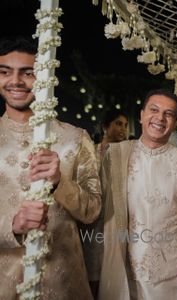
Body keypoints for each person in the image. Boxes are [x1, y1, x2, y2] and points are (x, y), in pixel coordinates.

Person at [0, 36, 101, 299]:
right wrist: (11, 226)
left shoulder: (76, 138)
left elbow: (92, 211)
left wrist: (60, 183)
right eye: (5, 72)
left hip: (63, 281)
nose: (16, 82)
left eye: (28, 73)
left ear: (45, 77)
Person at [98, 89, 177, 300]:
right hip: (123, 270)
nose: (160, 118)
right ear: (142, 114)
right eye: (154, 110)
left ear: (175, 121)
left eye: (168, 114)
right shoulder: (116, 155)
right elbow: (99, 212)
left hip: (171, 275)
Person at [80, 109, 128, 298]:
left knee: (115, 267)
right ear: (105, 127)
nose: (122, 129)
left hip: (118, 217)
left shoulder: (128, 154)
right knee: (93, 267)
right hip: (93, 219)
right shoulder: (92, 150)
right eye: (117, 123)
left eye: (125, 125)